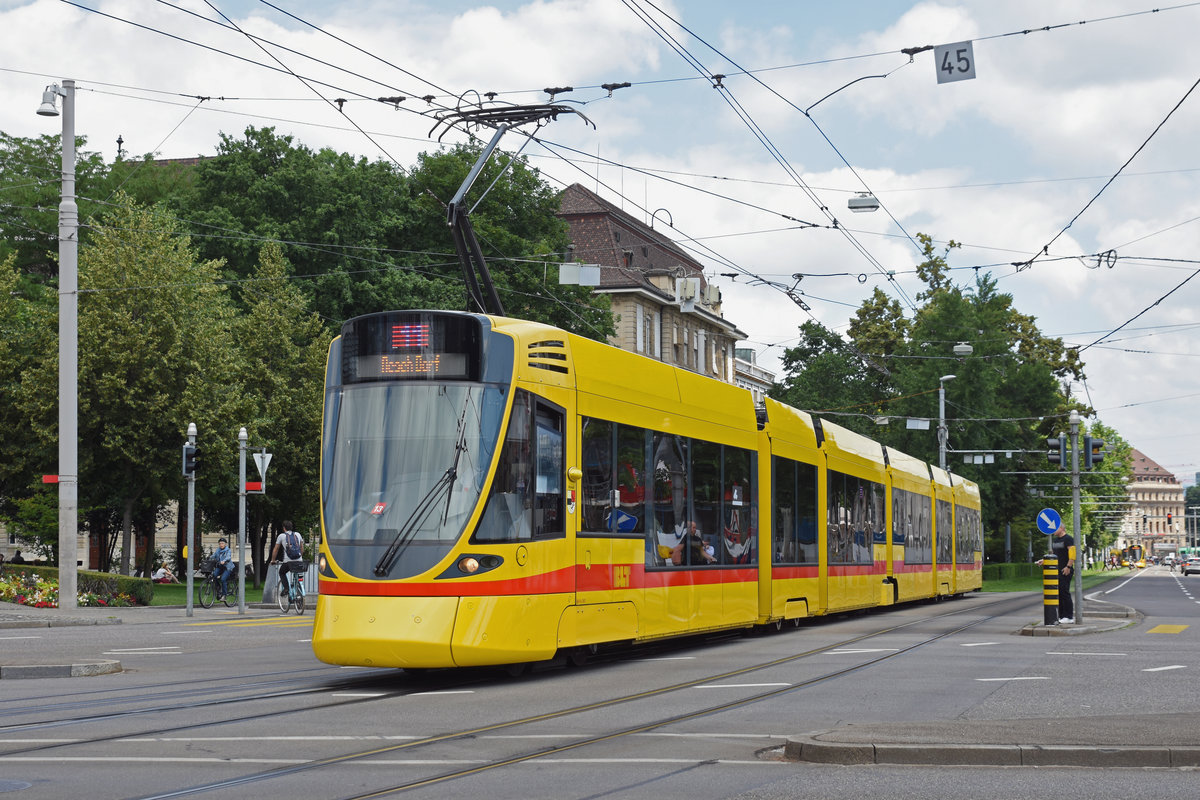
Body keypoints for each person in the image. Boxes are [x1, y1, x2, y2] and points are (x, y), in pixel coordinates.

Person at [1036, 524, 1076, 624]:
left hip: (1065, 569)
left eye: (1055, 528)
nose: (1053, 530)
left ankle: (1069, 616)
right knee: (1058, 593)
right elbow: (1054, 555)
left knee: (1064, 592)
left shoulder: (1068, 539)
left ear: (1062, 528)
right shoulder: (1055, 540)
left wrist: (1068, 567)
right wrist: (1044, 561)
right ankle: (1062, 616)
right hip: (1056, 570)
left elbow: (1072, 554)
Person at [270, 520, 305, 604]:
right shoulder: (298, 534)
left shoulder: (281, 536)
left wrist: (273, 560)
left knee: (281, 572)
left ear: (284, 528)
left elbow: (276, 549)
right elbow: (302, 548)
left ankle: (286, 588)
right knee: (297, 576)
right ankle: (299, 595)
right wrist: (300, 557)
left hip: (288, 562)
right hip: (299, 561)